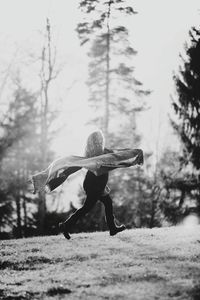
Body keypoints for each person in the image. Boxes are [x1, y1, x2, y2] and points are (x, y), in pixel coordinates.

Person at [59, 131, 126, 239]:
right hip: (94, 185)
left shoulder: (103, 152)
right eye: (98, 140)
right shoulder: (93, 155)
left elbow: (117, 157)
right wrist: (65, 172)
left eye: (100, 139)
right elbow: (78, 165)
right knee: (86, 208)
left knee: (108, 202)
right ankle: (65, 226)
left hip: (97, 185)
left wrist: (132, 157)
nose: (100, 141)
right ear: (95, 141)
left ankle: (112, 228)